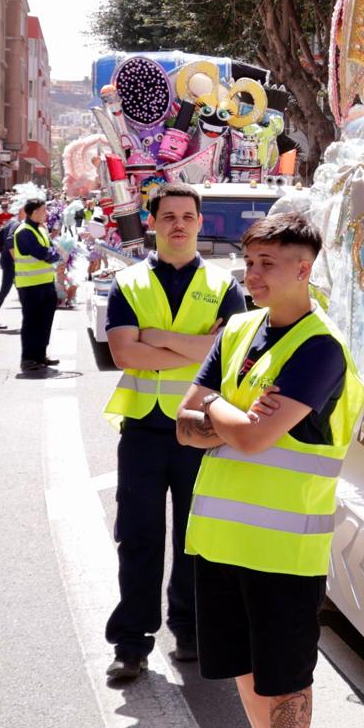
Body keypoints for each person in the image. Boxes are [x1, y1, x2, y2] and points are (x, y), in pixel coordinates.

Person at [175, 212, 364, 728]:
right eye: (249, 261)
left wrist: (216, 410)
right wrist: (232, 414)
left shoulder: (319, 347)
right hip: (219, 541)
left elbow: (255, 439)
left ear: (304, 270)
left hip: (283, 553)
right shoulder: (239, 328)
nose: (250, 275)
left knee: (285, 680)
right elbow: (183, 423)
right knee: (245, 667)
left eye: (266, 265)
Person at [102, 184, 246, 684]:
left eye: (187, 216)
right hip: (143, 427)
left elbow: (229, 355)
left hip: (202, 425)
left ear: (200, 222)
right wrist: (199, 345)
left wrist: (157, 338)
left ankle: (190, 630)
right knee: (138, 536)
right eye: (169, 216)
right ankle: (132, 642)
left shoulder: (226, 284)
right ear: (153, 222)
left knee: (196, 536)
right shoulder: (128, 282)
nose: (179, 224)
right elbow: (124, 354)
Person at [12, 198, 61, 371]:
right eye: (43, 210)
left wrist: (53, 253)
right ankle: (27, 358)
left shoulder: (39, 229)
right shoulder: (24, 231)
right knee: (32, 322)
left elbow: (51, 250)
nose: (46, 213)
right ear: (34, 212)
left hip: (46, 282)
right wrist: (54, 254)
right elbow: (45, 254)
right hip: (30, 285)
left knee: (45, 321)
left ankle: (40, 355)